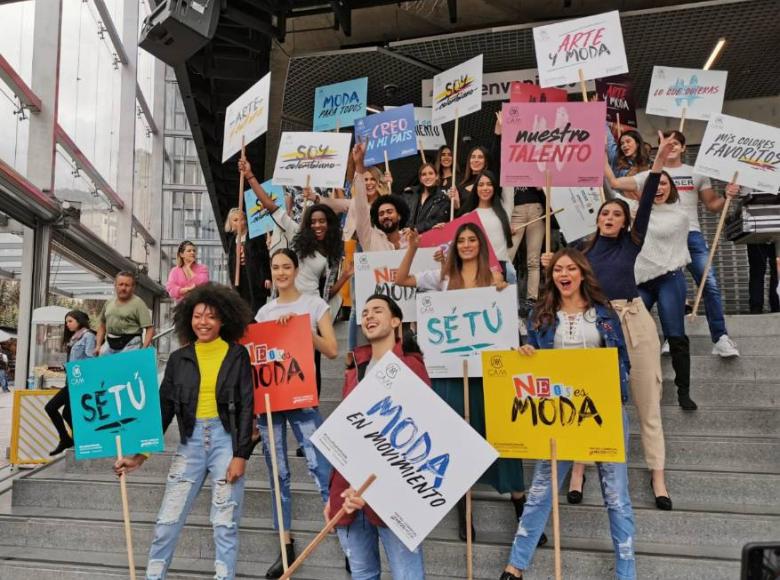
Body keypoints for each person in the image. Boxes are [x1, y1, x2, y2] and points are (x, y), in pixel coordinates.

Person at [396, 224, 544, 545]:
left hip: (491, 375)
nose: (465, 245)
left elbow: (508, 325)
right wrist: (413, 247)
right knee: (456, 441)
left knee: (503, 439)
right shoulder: (442, 278)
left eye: (471, 240)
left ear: (481, 246)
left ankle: (522, 510)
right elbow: (400, 280)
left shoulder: (497, 280)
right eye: (460, 241)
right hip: (451, 373)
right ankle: (464, 510)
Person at [500, 248, 636, 580]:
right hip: (558, 415)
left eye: (571, 268)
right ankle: (515, 567)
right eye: (558, 269)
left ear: (582, 273)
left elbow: (623, 363)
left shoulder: (603, 313)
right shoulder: (541, 317)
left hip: (602, 412)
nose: (564, 274)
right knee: (540, 492)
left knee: (616, 496)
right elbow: (531, 365)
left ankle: (627, 572)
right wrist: (525, 354)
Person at [556, 132, 675, 509]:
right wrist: (551, 265)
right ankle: (579, 467)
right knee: (588, 400)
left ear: (625, 223)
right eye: (605, 213)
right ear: (597, 219)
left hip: (634, 321)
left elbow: (645, 208)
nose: (610, 218)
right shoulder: (581, 249)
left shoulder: (630, 242)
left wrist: (656, 165)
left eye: (616, 215)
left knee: (646, 398)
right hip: (596, 327)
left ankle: (658, 474)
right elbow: (562, 278)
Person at [113, 283, 255, 580]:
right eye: (198, 316)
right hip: (190, 443)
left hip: (225, 443)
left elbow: (245, 406)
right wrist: (139, 455)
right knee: (167, 520)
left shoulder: (237, 354)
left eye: (211, 316)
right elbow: (164, 411)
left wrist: (241, 454)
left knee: (225, 523)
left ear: (224, 320)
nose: (203, 322)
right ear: (188, 319)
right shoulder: (179, 359)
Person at [606, 130, 740, 358]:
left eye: (676, 143)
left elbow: (712, 205)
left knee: (710, 284)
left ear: (683, 147)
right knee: (665, 285)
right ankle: (669, 337)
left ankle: (720, 338)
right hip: (658, 238)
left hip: (691, 235)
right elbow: (616, 182)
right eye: (665, 143)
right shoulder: (649, 175)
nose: (671, 146)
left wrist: (727, 196)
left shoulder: (696, 174)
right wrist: (601, 158)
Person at [325, 293, 428, 579]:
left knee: (407, 574)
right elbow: (346, 434)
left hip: (395, 496)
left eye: (377, 311)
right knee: (363, 575)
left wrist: (372, 488)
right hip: (348, 493)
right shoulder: (355, 367)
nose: (368, 316)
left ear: (396, 321)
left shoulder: (412, 367)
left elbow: (418, 438)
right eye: (365, 311)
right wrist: (333, 493)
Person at [255, 249, 338, 578]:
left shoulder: (314, 305)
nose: (280, 272)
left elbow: (332, 350)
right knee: (278, 474)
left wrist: (305, 331)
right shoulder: (263, 312)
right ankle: (284, 545)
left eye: (286, 266)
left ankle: (344, 535)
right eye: (275, 267)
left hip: (302, 396)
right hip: (271, 400)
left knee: (320, 466)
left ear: (297, 269)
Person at [238, 157, 350, 302]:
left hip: (314, 312)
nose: (317, 225)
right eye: (313, 222)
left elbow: (327, 294)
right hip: (287, 306)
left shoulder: (332, 250)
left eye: (322, 221)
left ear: (329, 224)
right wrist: (249, 175)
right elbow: (269, 205)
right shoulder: (296, 233)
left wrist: (345, 276)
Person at [45, 310, 96, 455]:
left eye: (70, 321)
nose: (67, 324)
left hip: (79, 381)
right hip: (71, 380)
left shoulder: (88, 336)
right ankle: (81, 439)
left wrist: (73, 368)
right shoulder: (74, 338)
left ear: (79, 321)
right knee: (67, 413)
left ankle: (66, 439)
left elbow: (91, 360)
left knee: (50, 407)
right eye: (66, 322)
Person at [452, 170, 515, 281]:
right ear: (476, 189)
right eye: (481, 184)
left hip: (501, 269)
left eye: (489, 184)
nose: (485, 188)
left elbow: (508, 183)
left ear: (495, 187)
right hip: (477, 269)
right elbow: (451, 236)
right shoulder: (468, 217)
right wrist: (442, 227)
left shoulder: (505, 210)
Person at [351, 143, 411, 252]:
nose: (385, 216)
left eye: (389, 212)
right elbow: (360, 208)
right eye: (381, 214)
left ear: (399, 216)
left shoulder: (409, 240)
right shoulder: (371, 239)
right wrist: (359, 165)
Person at [224, 207, 272, 313]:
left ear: (245, 220)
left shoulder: (255, 236)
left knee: (256, 308)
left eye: (241, 219)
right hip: (240, 280)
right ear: (231, 223)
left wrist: (267, 277)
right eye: (235, 220)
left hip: (255, 278)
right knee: (242, 308)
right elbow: (230, 262)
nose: (239, 222)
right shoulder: (232, 240)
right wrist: (232, 282)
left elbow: (264, 257)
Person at [95, 271, 154, 355]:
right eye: (121, 284)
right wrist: (98, 345)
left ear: (133, 287)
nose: (123, 288)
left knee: (125, 368)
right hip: (110, 342)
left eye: (127, 285)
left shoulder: (138, 303)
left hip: (131, 343)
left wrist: (144, 349)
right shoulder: (109, 302)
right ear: (115, 286)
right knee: (105, 367)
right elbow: (102, 326)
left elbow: (150, 328)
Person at [401, 162, 450, 233]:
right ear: (420, 179)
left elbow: (437, 221)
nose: (427, 177)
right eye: (424, 174)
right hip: (406, 236)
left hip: (427, 237)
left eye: (431, 173)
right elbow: (399, 212)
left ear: (436, 176)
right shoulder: (409, 193)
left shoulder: (443, 198)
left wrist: (414, 229)